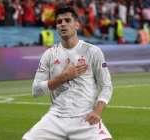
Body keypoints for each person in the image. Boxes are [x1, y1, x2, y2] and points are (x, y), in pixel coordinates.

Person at [22, 5, 113, 140]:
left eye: (67, 20)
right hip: (55, 118)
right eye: (59, 22)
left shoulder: (93, 51)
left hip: (85, 118)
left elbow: (106, 86)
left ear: (77, 24)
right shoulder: (49, 55)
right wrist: (64, 77)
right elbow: (36, 91)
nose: (63, 24)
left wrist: (97, 111)